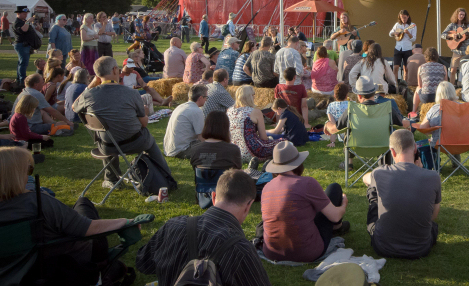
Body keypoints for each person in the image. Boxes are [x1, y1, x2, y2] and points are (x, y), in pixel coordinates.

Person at [1, 148, 142, 284]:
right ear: (15, 175)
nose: (29, 175)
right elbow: (88, 228)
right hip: (67, 255)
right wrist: (125, 222)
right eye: (28, 170)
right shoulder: (38, 203)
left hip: (24, 268)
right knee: (83, 203)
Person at [136, 169, 271, 286]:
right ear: (249, 205)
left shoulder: (172, 226)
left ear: (213, 196)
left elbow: (143, 264)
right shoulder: (241, 250)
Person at [73, 56, 172, 189]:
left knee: (107, 135)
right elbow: (144, 123)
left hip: (107, 146)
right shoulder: (132, 93)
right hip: (135, 142)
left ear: (97, 75)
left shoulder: (89, 94)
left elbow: (74, 106)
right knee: (148, 137)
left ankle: (111, 179)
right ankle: (166, 176)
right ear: (115, 70)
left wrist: (92, 84)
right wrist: (145, 113)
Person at [259, 141, 349, 262]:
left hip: (272, 252)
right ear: (298, 163)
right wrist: (344, 203)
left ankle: (337, 228)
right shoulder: (307, 183)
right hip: (307, 252)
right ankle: (338, 228)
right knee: (334, 188)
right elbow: (335, 216)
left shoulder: (267, 187)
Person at [361, 129, 441, 258]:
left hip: (383, 247)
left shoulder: (380, 173)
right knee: (433, 227)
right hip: (420, 249)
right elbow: (433, 216)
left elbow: (365, 178)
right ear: (415, 148)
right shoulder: (433, 177)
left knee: (372, 189)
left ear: (392, 151)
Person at [228, 85, 286, 162]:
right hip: (253, 152)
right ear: (249, 97)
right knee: (284, 142)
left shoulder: (229, 111)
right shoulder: (255, 112)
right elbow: (263, 138)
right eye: (253, 95)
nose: (254, 97)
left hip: (235, 153)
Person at [163, 83, 207, 159]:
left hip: (169, 149)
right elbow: (201, 137)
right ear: (200, 98)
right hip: (182, 151)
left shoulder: (180, 107)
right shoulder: (196, 111)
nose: (206, 100)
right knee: (214, 146)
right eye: (206, 97)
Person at [416, 81, 459, 148]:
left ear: (438, 94)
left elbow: (423, 128)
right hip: (461, 143)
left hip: (439, 144)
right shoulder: (463, 107)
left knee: (418, 145)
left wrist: (434, 129)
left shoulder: (435, 109)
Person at [441, 7, 469, 86]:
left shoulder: (467, 25)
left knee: (465, 70)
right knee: (453, 70)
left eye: (463, 15)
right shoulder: (452, 25)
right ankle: (452, 86)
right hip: (456, 51)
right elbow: (443, 35)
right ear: (456, 15)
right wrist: (452, 35)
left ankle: (463, 85)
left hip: (465, 51)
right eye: (460, 14)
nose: (462, 16)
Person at [13, 5, 39, 84]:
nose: (26, 15)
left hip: (26, 45)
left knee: (22, 63)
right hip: (22, 44)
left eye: (26, 13)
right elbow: (23, 30)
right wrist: (28, 21)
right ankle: (22, 80)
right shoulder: (17, 22)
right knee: (23, 63)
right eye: (24, 14)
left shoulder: (23, 21)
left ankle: (19, 79)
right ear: (18, 13)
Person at [415, 47, 447, 112]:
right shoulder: (443, 67)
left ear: (426, 56)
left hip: (426, 97)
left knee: (417, 88)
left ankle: (414, 111)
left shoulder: (421, 67)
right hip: (439, 97)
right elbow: (446, 84)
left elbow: (420, 85)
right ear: (437, 56)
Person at [388, 9, 416, 81]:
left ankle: (405, 84)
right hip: (398, 48)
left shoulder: (412, 25)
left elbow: (413, 39)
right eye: (401, 17)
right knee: (395, 67)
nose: (403, 19)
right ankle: (395, 84)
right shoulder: (397, 24)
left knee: (406, 68)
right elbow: (390, 33)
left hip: (407, 49)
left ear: (408, 16)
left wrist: (408, 33)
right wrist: (395, 33)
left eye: (405, 17)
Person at [326, 83, 351, 149]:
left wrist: (332, 142)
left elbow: (333, 124)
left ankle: (333, 141)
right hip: (352, 136)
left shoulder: (331, 106)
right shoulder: (352, 104)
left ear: (334, 95)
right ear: (347, 95)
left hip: (340, 135)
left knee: (328, 122)